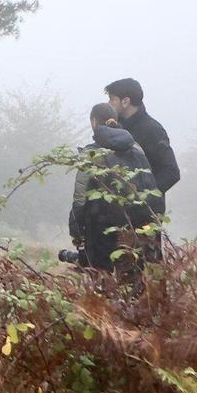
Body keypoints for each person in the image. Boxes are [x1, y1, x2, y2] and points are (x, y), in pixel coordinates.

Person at [67, 101, 164, 278]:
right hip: (137, 229)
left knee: (102, 285)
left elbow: (80, 198)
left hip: (101, 232)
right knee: (133, 283)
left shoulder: (91, 153)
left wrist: (76, 230)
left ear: (94, 123)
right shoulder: (137, 149)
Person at [103, 78, 180, 195]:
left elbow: (171, 172)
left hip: (141, 210)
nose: (108, 104)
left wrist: (145, 197)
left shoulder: (153, 130)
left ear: (125, 101)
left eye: (112, 99)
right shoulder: (115, 127)